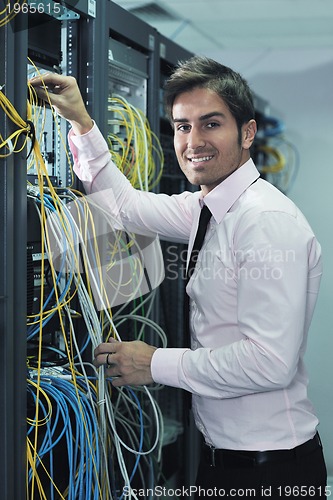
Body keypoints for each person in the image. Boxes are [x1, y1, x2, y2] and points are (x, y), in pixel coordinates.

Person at [30, 56, 327, 499]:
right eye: (182, 127)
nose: (193, 141)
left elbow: (268, 362)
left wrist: (154, 363)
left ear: (247, 133)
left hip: (268, 472)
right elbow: (123, 207)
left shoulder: (264, 221)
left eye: (211, 124)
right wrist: (81, 121)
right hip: (227, 461)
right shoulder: (206, 209)